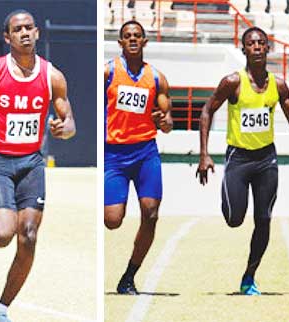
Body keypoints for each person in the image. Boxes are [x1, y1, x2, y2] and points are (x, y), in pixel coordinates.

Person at [0, 9, 76, 322]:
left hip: (32, 163)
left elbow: (69, 120)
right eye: (17, 29)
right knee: (2, 235)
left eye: (28, 28)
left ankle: (2, 308)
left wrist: (66, 128)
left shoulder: (52, 76)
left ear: (37, 33)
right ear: (7, 37)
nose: (24, 33)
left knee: (29, 235)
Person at [196, 26, 289, 296]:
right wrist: (204, 153)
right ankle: (230, 198)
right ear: (243, 49)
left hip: (266, 159)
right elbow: (207, 110)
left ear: (268, 49)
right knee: (235, 219)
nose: (257, 47)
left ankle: (249, 276)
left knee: (264, 219)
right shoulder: (233, 82)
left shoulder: (278, 85)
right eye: (251, 43)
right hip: (239, 158)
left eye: (261, 43)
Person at [103, 20, 173, 295]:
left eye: (137, 36)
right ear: (120, 43)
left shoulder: (157, 78)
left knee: (151, 213)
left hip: (145, 153)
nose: (132, 39)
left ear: (145, 42)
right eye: (127, 36)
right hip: (114, 154)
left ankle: (129, 277)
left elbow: (167, 122)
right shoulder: (108, 72)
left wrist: (163, 120)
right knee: (112, 220)